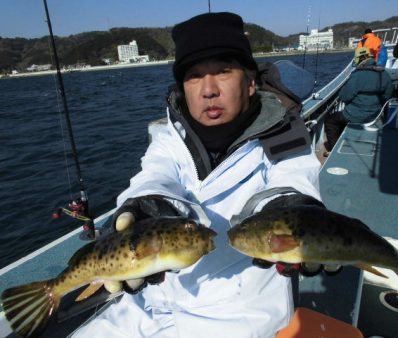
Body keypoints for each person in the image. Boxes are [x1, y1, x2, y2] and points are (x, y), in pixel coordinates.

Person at [73, 12, 336, 338]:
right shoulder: (170, 135)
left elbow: (292, 180)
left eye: (223, 71)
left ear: (250, 82)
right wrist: (145, 203)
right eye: (194, 76)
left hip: (240, 310)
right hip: (150, 300)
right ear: (183, 87)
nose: (208, 89)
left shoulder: (283, 135)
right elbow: (155, 174)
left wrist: (290, 208)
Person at [323, 47, 393, 155]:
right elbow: (388, 95)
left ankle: (333, 150)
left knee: (330, 121)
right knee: (339, 119)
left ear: (360, 60)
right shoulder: (384, 73)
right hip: (375, 115)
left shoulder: (356, 75)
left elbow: (344, 97)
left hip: (354, 115)